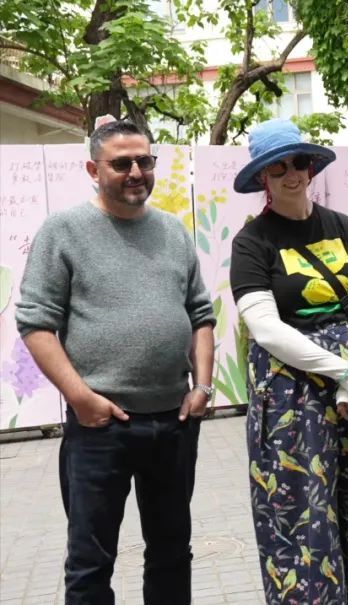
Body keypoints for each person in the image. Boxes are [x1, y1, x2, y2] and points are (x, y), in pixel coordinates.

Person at [16, 119, 214, 603]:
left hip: (173, 421)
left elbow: (200, 315)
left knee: (172, 553)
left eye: (144, 161)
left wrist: (203, 387)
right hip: (100, 427)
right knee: (90, 562)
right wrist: (81, 398)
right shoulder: (63, 231)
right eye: (121, 163)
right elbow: (36, 323)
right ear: (93, 169)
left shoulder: (172, 232)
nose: (136, 172)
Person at [229, 118, 348, 603]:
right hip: (290, 395)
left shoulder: (342, 226)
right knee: (299, 511)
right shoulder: (252, 241)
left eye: (298, 162)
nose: (291, 174)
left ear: (311, 166)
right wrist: (345, 370)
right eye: (277, 167)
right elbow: (267, 329)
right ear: (262, 177)